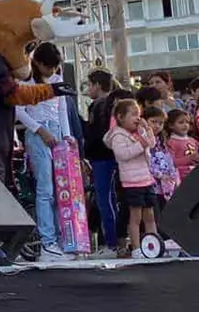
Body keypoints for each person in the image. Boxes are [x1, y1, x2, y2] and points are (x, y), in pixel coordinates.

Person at [14, 43, 72, 261]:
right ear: (37, 63)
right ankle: (48, 242)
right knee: (45, 189)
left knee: (61, 189)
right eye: (49, 67)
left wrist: (67, 135)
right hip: (38, 133)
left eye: (55, 67)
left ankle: (63, 239)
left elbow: (62, 109)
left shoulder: (57, 79)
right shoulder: (26, 81)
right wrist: (40, 130)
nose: (52, 71)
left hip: (56, 133)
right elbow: (19, 111)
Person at [82, 69, 130, 256]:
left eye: (89, 85)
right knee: (110, 199)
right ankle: (117, 240)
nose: (88, 89)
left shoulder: (101, 105)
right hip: (110, 156)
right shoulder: (110, 104)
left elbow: (97, 133)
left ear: (97, 85)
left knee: (105, 199)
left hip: (102, 157)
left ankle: (111, 242)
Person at [105, 99, 158, 258]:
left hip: (146, 178)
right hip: (132, 182)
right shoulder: (118, 136)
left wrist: (147, 130)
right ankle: (136, 248)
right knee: (136, 217)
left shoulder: (138, 132)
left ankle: (153, 245)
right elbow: (123, 154)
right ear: (121, 117)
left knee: (150, 215)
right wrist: (141, 144)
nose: (137, 118)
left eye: (139, 114)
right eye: (133, 114)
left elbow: (151, 144)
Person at [164, 109, 199, 181]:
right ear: (171, 125)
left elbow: (198, 157)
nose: (185, 125)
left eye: (187, 122)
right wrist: (189, 158)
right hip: (181, 177)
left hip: (196, 174)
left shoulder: (193, 141)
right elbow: (171, 163)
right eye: (181, 122)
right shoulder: (171, 142)